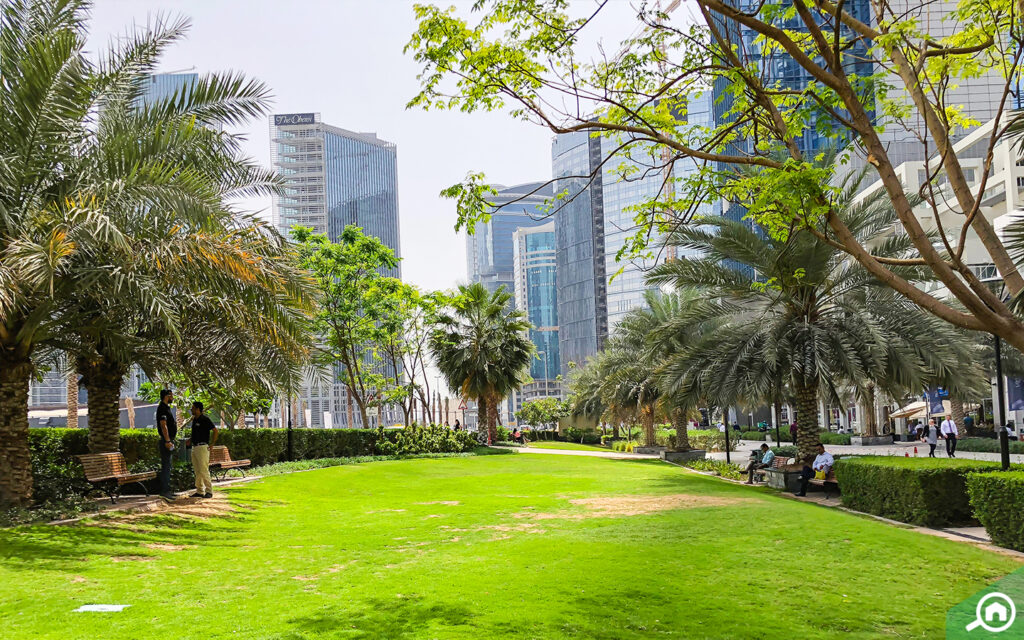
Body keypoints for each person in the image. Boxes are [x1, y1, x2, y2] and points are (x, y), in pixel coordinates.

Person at [185, 401, 218, 498]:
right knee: (197, 470)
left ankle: (209, 491)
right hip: (195, 447)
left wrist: (212, 443)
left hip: (202, 447)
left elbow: (215, 431)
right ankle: (199, 490)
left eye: (193, 408)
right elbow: (196, 433)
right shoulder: (195, 419)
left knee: (203, 469)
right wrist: (190, 440)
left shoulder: (205, 419)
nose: (191, 409)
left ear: (198, 409)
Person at [155, 389, 177, 501]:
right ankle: (164, 491)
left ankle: (167, 489)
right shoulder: (162, 408)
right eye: (171, 396)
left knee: (168, 465)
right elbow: (163, 425)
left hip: (168, 439)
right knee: (166, 466)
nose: (172, 398)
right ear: (167, 396)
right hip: (166, 440)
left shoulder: (166, 408)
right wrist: (168, 441)